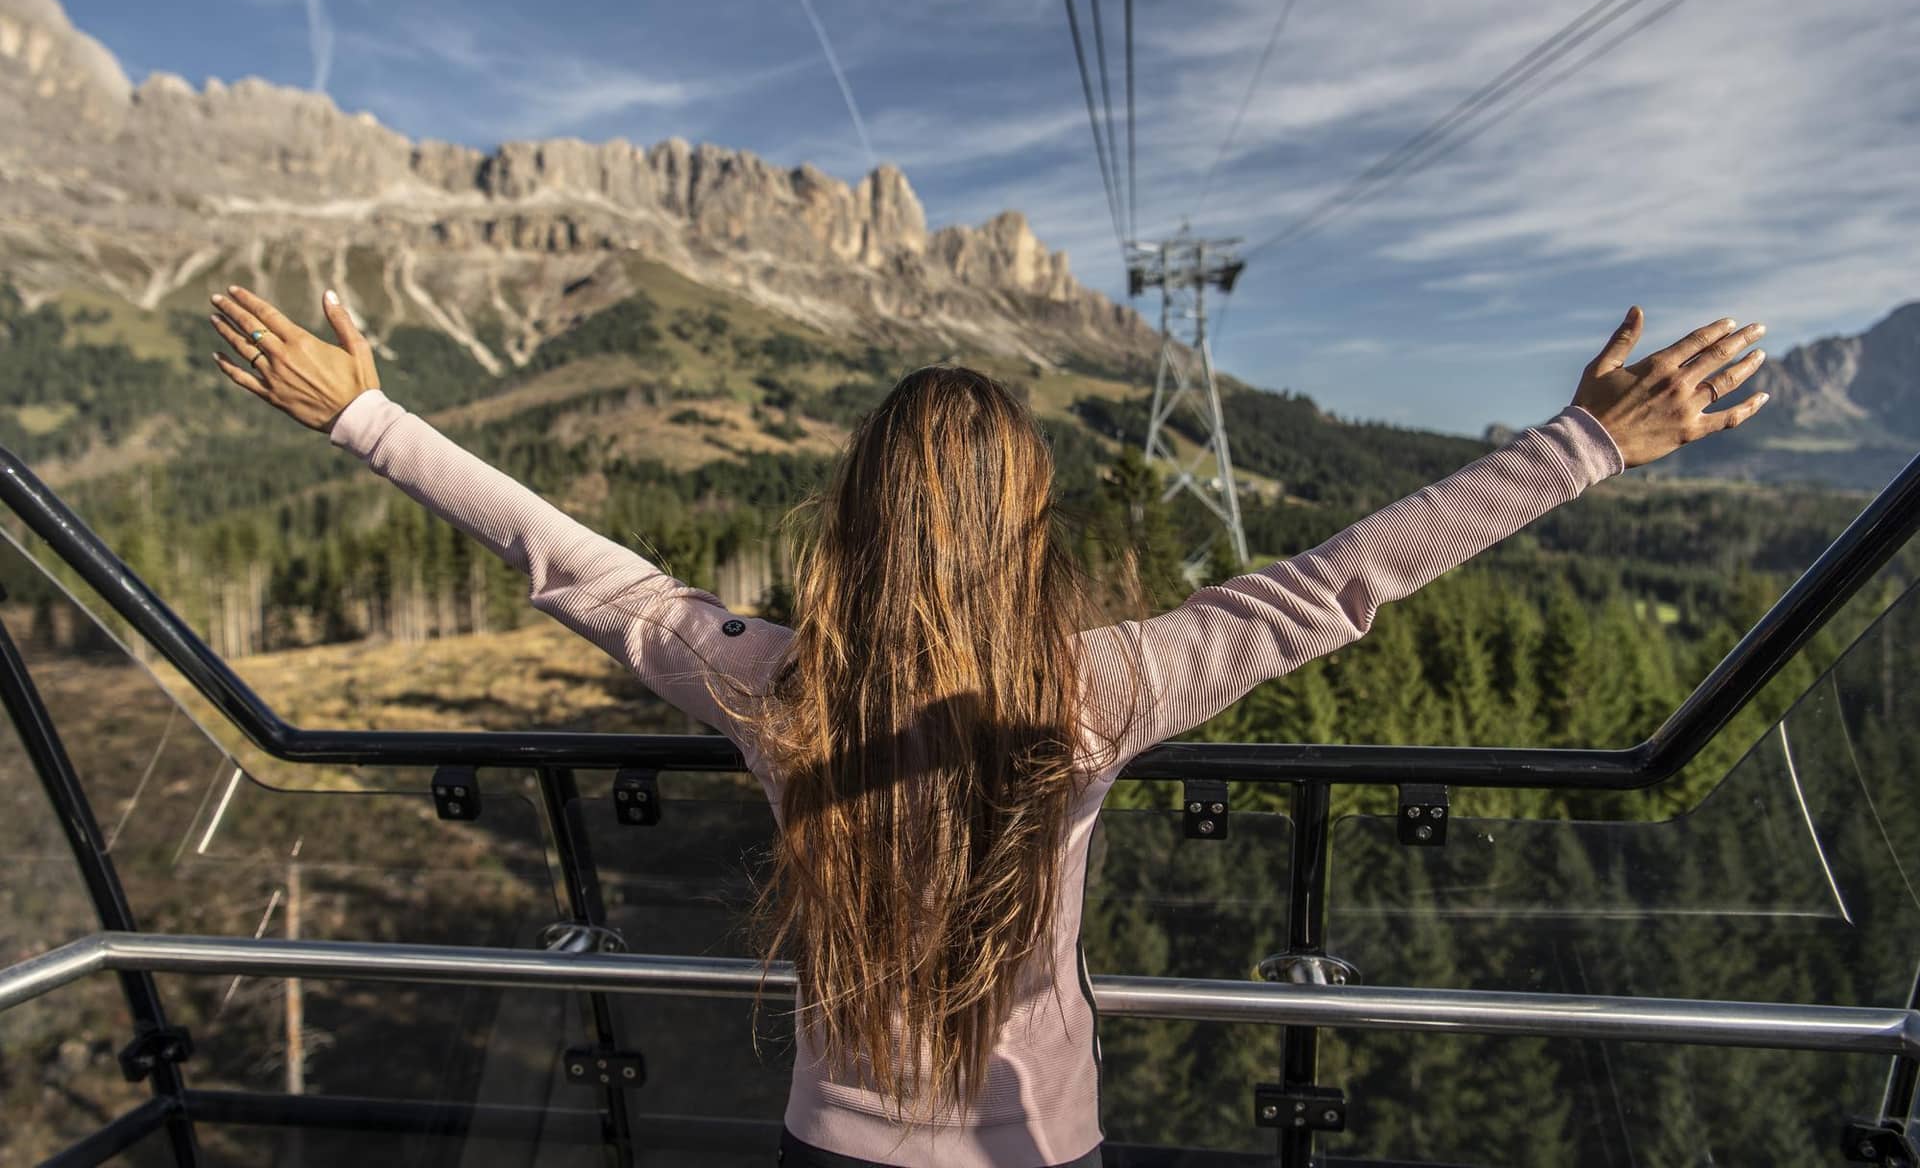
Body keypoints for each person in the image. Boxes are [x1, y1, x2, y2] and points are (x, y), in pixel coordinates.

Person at [207, 284, 1765, 1167]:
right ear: (1031, 522)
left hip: (828, 1145)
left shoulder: (773, 682)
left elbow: (578, 568)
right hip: (1041, 1147)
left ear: (857, 521)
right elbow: (1333, 586)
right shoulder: (1101, 688)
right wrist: (1584, 444)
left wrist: (366, 416)